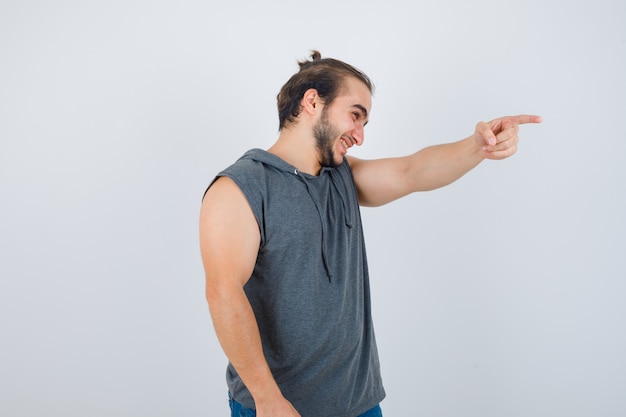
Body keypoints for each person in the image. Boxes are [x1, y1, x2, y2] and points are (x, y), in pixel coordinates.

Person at [199, 50, 541, 417]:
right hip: (279, 408)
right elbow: (224, 295)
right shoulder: (240, 188)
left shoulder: (342, 176)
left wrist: (478, 146)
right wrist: (268, 400)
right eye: (355, 115)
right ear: (312, 101)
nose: (360, 136)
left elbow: (412, 172)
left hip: (360, 404)